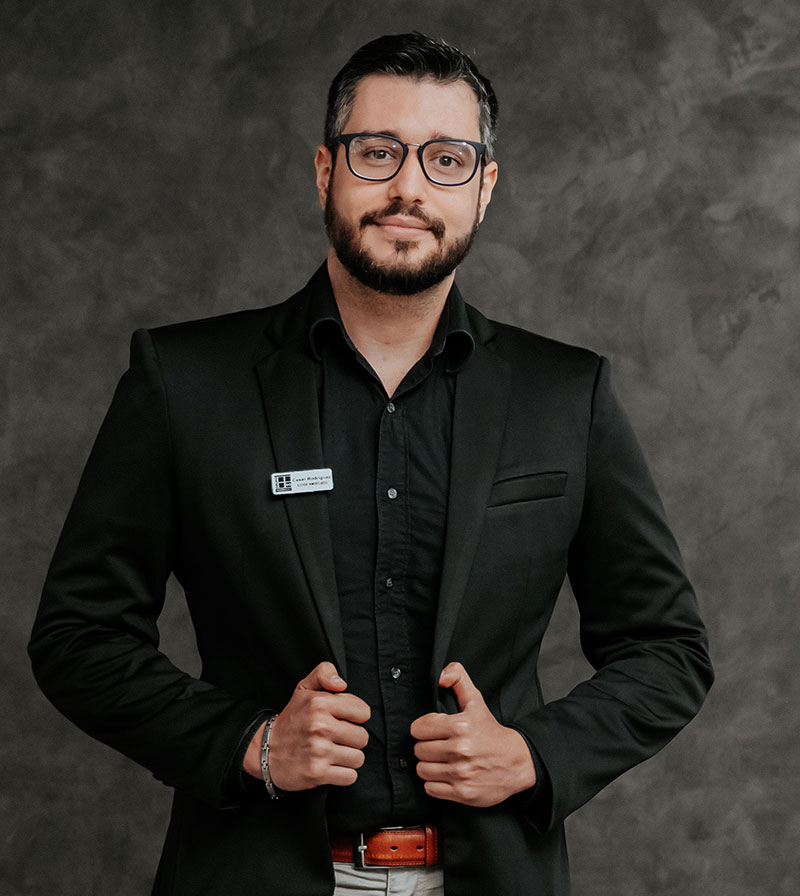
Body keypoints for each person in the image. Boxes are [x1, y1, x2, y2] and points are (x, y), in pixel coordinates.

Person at [29, 32, 713, 896]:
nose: (409, 188)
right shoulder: (186, 383)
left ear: (484, 188)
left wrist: (533, 755)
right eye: (378, 151)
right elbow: (78, 636)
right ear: (326, 171)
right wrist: (250, 744)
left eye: (446, 159)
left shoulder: (566, 396)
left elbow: (667, 649)